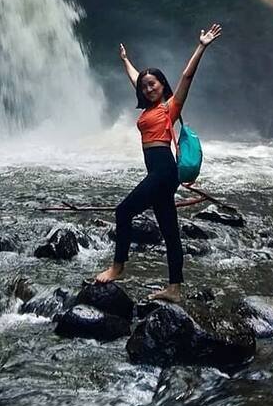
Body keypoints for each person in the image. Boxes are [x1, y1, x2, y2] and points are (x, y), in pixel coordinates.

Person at [95, 23, 222, 302]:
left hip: (164, 170)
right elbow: (136, 80)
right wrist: (126, 61)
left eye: (153, 84)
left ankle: (118, 267)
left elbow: (187, 76)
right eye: (145, 86)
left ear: (163, 85)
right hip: (159, 172)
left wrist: (201, 46)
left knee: (123, 211)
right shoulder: (150, 106)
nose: (148, 88)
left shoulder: (170, 106)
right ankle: (175, 289)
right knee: (169, 230)